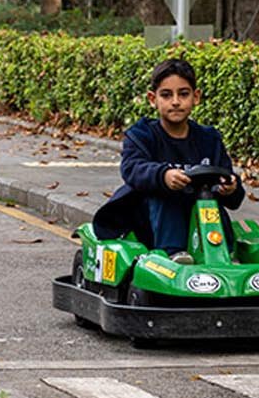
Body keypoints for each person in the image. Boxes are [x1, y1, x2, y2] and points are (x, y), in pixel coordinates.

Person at [91, 58, 244, 262]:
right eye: (166, 95)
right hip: (148, 220)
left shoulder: (209, 139)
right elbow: (132, 168)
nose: (175, 102)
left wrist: (230, 187)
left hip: (197, 216)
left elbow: (228, 182)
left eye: (183, 94)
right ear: (152, 99)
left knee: (209, 200)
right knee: (166, 196)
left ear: (195, 97)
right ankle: (173, 254)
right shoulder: (141, 135)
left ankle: (224, 255)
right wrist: (163, 175)